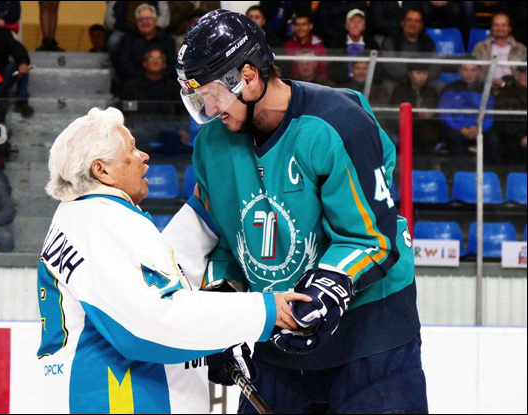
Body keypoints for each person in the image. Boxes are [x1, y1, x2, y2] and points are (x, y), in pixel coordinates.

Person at [177, 10, 426, 414]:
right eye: (198, 98)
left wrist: (326, 290)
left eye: (211, 94)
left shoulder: (339, 123)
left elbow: (371, 236)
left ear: (248, 76)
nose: (208, 109)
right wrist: (226, 308)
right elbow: (224, 243)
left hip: (371, 340)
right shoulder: (212, 147)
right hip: (278, 345)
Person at [37, 106, 307, 413]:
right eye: (131, 149)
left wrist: (207, 208)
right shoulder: (100, 222)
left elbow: (158, 277)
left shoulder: (85, 215)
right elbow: (147, 324)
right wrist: (266, 311)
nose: (144, 156)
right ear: (102, 170)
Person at [439, 59, 495, 156]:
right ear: (460, 71)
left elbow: (489, 116)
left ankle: (488, 170)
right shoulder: (449, 88)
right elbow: (444, 115)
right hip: (456, 129)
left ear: (478, 71)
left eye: (473, 70)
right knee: (456, 142)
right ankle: (462, 171)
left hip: (479, 130)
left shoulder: (486, 90)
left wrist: (479, 129)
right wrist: (461, 129)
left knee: (493, 141)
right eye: (466, 70)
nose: (469, 74)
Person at [114, 4, 176, 86]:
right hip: (135, 85)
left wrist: (158, 79)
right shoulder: (127, 39)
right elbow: (123, 64)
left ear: (155, 21)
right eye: (141, 19)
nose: (145, 22)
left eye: (148, 19)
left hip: (163, 84)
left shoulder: (167, 39)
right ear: (136, 23)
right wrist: (142, 80)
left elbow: (172, 64)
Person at [390, 63, 441, 154]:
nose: (422, 76)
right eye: (418, 73)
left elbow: (437, 110)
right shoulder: (400, 90)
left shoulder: (431, 91)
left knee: (428, 134)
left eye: (424, 73)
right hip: (404, 128)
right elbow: (395, 113)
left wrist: (431, 114)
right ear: (410, 74)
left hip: (427, 129)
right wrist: (416, 114)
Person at [380, 8, 439, 84]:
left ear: (421, 26)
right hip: (397, 82)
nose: (413, 24)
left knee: (438, 86)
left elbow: (436, 67)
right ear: (402, 23)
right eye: (409, 20)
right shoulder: (391, 41)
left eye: (417, 21)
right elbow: (388, 65)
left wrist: (423, 77)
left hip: (423, 82)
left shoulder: (428, 43)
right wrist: (411, 77)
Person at [471, 13, 527, 88]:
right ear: (492, 28)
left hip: (514, 90)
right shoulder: (480, 47)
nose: (500, 28)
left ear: (509, 28)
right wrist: (489, 81)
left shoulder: (521, 49)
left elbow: (524, 74)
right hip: (487, 89)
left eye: (504, 25)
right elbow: (473, 71)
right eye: (496, 25)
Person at [327, 8, 380, 85]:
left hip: (368, 85)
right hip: (343, 84)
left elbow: (378, 69)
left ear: (364, 26)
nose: (356, 25)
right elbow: (333, 69)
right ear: (346, 26)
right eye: (352, 21)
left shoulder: (372, 45)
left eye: (359, 22)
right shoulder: (336, 45)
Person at [494, 67, 527, 163]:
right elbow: (502, 120)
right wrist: (521, 137)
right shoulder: (505, 94)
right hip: (512, 137)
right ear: (517, 76)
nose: (526, 77)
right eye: (524, 73)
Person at [283, 11, 327, 79]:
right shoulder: (287, 46)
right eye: (297, 25)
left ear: (310, 26)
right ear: (294, 27)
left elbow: (323, 73)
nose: (300, 28)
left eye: (303, 25)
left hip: (316, 84)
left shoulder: (319, 46)